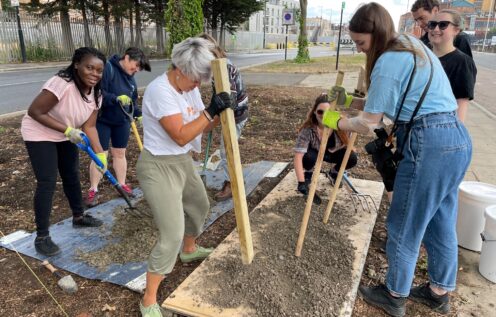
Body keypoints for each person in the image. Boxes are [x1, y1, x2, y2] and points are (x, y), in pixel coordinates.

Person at [322, 3, 472, 317]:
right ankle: (439, 291)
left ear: (376, 36)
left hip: (428, 143)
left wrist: (336, 120)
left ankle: (394, 294)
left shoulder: (388, 61)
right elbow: (391, 102)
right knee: (440, 220)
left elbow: (370, 123)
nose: (359, 48)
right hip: (455, 138)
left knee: (404, 222)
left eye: (361, 43)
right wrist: (351, 101)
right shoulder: (411, 45)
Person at [136, 37, 234, 317]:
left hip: (182, 162)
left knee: (199, 206)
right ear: (179, 68)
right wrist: (210, 111)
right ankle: (149, 300)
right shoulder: (159, 91)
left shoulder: (188, 87)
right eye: (195, 79)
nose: (198, 85)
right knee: (171, 233)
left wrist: (224, 108)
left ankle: (189, 250)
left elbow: (200, 122)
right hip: (158, 166)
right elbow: (180, 135)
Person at [21, 47, 107, 256]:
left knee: (71, 175)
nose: (94, 74)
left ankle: (79, 217)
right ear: (76, 65)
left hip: (67, 134)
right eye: (89, 68)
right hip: (40, 133)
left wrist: (100, 153)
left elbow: (90, 127)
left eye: (99, 70)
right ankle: (42, 236)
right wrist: (68, 130)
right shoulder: (62, 84)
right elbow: (35, 111)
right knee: (47, 182)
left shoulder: (97, 93)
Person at [86, 47, 151, 207]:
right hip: (103, 120)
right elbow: (98, 92)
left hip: (122, 121)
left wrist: (138, 113)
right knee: (100, 154)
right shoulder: (108, 68)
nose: (136, 70)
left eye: (138, 68)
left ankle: (121, 185)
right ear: (126, 58)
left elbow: (132, 100)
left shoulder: (131, 78)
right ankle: (93, 189)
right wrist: (115, 99)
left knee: (120, 153)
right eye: (135, 65)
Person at [198, 33, 249, 202]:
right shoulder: (217, 66)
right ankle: (235, 179)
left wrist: (217, 114)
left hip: (235, 115)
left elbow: (230, 101)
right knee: (227, 148)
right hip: (231, 113)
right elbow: (219, 93)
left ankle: (232, 184)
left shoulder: (224, 68)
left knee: (227, 149)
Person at [294, 93, 357, 204]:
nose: (324, 115)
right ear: (314, 112)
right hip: (315, 154)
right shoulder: (308, 130)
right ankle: (308, 173)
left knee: (351, 158)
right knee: (307, 157)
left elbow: (354, 132)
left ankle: (334, 173)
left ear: (334, 113)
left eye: (328, 112)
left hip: (334, 153)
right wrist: (301, 183)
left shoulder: (342, 126)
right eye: (320, 112)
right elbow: (298, 157)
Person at [428, 9, 477, 123]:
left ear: (456, 30)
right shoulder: (421, 56)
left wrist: (456, 135)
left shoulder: (463, 62)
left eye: (443, 25)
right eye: (432, 24)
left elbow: (461, 105)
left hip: (440, 127)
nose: (436, 29)